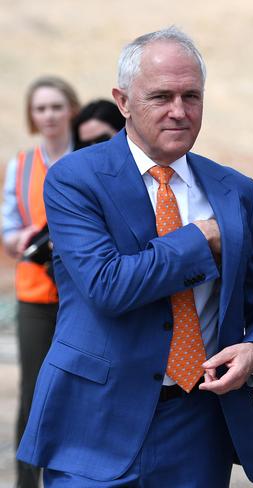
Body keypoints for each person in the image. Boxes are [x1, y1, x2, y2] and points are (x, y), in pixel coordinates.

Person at [17, 27, 253, 487]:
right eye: (161, 96)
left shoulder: (236, 191)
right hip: (94, 425)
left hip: (199, 424)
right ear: (122, 101)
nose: (179, 112)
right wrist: (199, 241)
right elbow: (108, 286)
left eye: (192, 96)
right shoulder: (74, 179)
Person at [1, 75, 80, 488]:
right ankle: (27, 482)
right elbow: (8, 227)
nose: (48, 115)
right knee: (33, 393)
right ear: (32, 116)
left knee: (80, 390)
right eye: (40, 108)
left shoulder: (90, 157)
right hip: (35, 295)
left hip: (84, 295)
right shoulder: (22, 163)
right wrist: (28, 239)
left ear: (72, 109)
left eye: (55, 106)